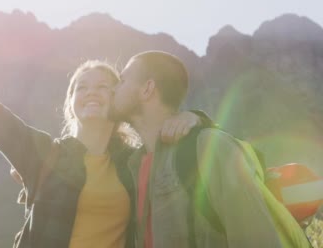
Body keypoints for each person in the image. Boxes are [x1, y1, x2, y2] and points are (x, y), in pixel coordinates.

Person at [0, 0, 211, 248]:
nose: (90, 93)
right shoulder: (43, 155)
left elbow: (195, 156)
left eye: (103, 87)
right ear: (70, 104)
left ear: (118, 99)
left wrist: (196, 119)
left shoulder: (134, 163)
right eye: (81, 87)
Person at [110, 50, 311, 248]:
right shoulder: (133, 166)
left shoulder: (207, 148)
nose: (114, 89)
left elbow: (258, 239)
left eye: (122, 80)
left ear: (147, 89)